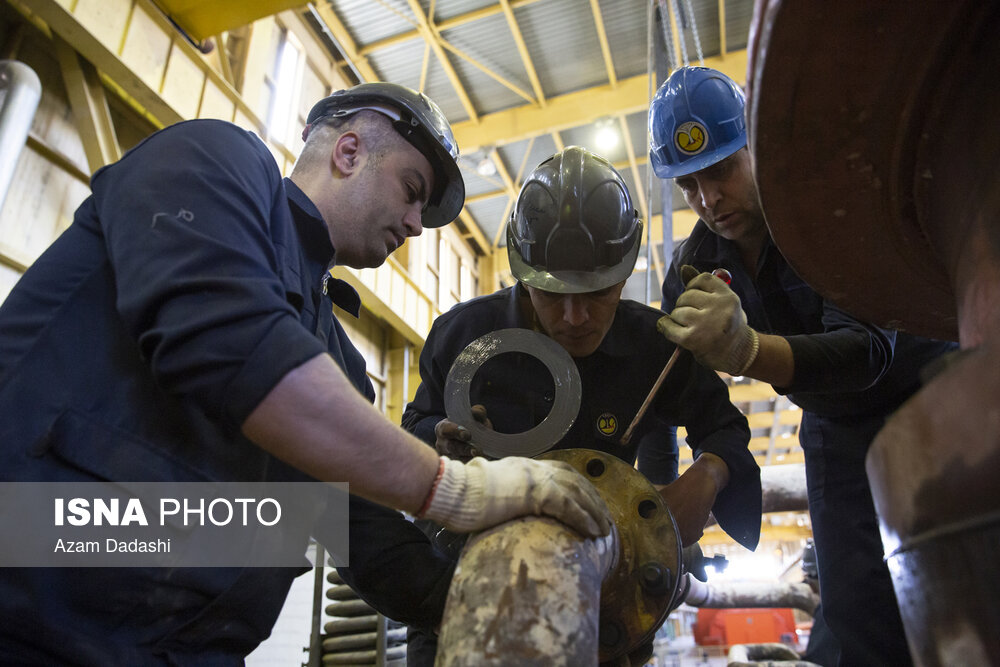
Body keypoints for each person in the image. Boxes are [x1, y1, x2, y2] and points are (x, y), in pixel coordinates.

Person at [0, 83, 613, 665]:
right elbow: (229, 342)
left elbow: (363, 535)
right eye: (411, 190)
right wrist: (463, 490)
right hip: (32, 604)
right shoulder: (214, 160)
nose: (414, 223)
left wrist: (517, 598)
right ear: (348, 152)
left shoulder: (339, 364)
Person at [338, 146, 762, 666]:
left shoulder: (655, 348)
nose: (575, 316)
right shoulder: (465, 335)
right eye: (550, 293)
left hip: (607, 602)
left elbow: (725, 428)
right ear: (523, 274)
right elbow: (417, 423)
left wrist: (710, 474)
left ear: (625, 272)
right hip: (461, 582)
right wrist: (436, 437)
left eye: (598, 292)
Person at [649, 66, 958, 666]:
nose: (708, 200)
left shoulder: (829, 218)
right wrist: (657, 506)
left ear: (758, 148)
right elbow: (666, 389)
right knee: (856, 610)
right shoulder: (695, 265)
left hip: (926, 403)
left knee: (958, 580)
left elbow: (866, 350)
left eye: (721, 170)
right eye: (688, 185)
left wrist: (747, 351)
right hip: (833, 425)